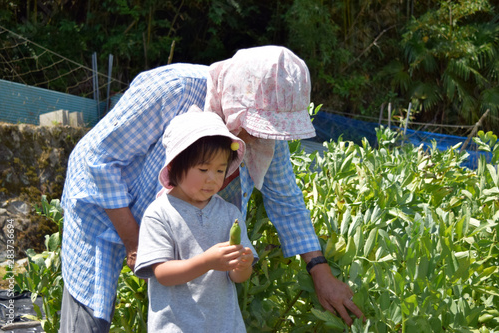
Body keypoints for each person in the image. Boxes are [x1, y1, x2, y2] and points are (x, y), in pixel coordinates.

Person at [60, 45, 363, 332]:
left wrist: (319, 269)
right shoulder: (174, 88)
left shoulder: (264, 133)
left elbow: (286, 200)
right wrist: (134, 241)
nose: (258, 137)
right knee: (89, 318)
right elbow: (97, 160)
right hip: (100, 207)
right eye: (256, 125)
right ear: (235, 99)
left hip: (176, 226)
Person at [134, 108, 256, 332]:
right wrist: (207, 261)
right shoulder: (159, 214)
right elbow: (162, 274)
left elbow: (238, 278)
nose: (212, 178)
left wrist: (243, 265)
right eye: (203, 169)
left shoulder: (230, 214)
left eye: (220, 170)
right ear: (174, 167)